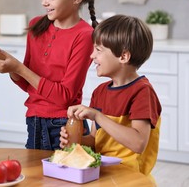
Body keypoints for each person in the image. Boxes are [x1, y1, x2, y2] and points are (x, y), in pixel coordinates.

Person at [0, 0, 99, 150]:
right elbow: (28, 85)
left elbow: (65, 97)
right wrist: (8, 68)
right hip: (34, 121)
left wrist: (18, 67)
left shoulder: (84, 36)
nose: (44, 2)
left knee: (62, 180)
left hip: (64, 126)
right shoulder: (37, 25)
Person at [59, 15, 162, 180]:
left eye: (98, 50)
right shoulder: (100, 92)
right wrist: (75, 140)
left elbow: (138, 143)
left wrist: (97, 115)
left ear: (123, 57)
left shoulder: (142, 92)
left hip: (131, 178)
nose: (92, 55)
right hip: (103, 175)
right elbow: (94, 140)